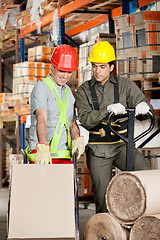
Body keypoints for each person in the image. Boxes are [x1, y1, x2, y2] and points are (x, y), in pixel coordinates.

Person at [75, 41, 153, 213]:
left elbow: (143, 104)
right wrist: (106, 110)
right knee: (102, 197)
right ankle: (105, 232)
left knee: (148, 178)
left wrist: (143, 107)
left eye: (102, 67)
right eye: (94, 66)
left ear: (111, 67)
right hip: (98, 150)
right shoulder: (83, 91)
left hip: (122, 146)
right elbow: (86, 120)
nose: (97, 71)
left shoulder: (125, 85)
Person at [26, 44, 85, 164]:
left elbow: (71, 123)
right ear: (52, 67)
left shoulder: (68, 91)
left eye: (69, 72)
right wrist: (43, 146)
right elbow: (41, 118)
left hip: (63, 155)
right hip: (42, 154)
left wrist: (77, 138)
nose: (65, 76)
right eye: (62, 70)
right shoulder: (41, 88)